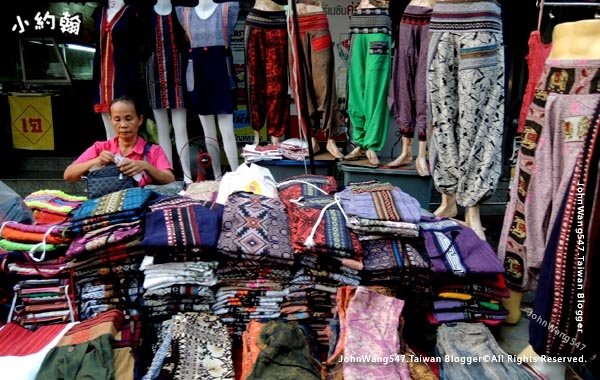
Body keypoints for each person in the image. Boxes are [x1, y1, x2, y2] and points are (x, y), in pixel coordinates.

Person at [64, 96, 175, 186]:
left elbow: (170, 179)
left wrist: (145, 166)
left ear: (140, 120)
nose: (123, 125)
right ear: (111, 121)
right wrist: (96, 161)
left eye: (128, 119)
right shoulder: (100, 148)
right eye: (117, 119)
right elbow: (68, 175)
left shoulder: (153, 150)